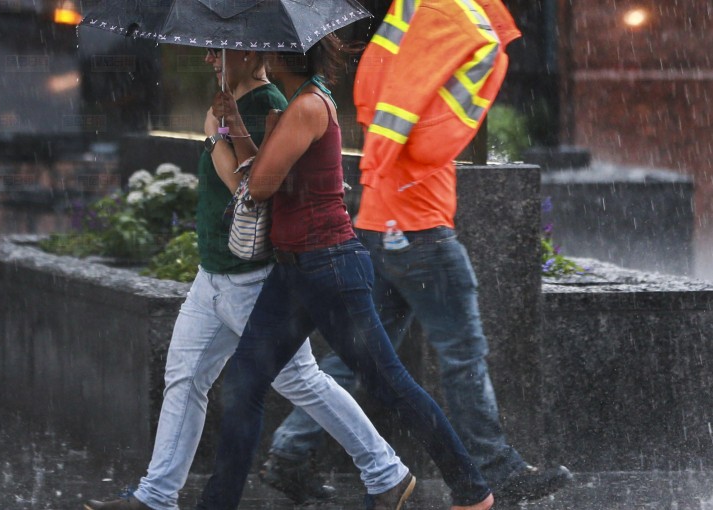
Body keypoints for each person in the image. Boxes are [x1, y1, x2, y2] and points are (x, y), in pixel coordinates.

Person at [262, 0, 573, 506]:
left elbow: (395, 104)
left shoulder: (411, 21)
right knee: (463, 354)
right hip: (417, 228)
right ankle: (499, 467)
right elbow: (414, 121)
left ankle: (291, 453)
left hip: (381, 222)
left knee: (363, 357)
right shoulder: (442, 19)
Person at [83, 47, 411, 510]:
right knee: (186, 378)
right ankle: (155, 496)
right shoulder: (230, 104)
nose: (209, 60)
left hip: (253, 279)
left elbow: (248, 188)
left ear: (251, 51)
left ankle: (386, 471)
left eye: (220, 51)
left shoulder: (271, 105)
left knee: (301, 381)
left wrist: (214, 133)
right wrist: (218, 123)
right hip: (213, 273)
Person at [195, 34, 494, 510]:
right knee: (244, 383)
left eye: (268, 52)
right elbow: (269, 175)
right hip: (294, 270)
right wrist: (236, 123)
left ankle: (473, 491)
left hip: (329, 267)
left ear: (281, 54)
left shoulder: (309, 106)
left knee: (390, 385)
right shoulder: (294, 104)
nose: (261, 58)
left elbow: (261, 187)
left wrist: (227, 136)